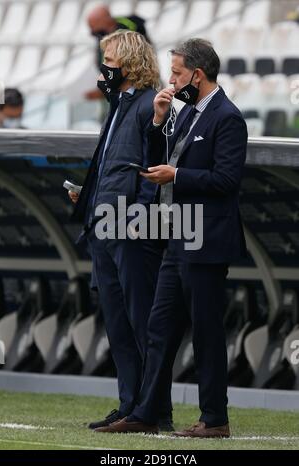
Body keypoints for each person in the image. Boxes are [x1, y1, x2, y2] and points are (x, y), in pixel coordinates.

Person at [95, 38, 248, 437]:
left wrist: (177, 176)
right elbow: (158, 161)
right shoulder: (186, 115)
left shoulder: (227, 118)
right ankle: (147, 411)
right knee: (159, 329)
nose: (172, 79)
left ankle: (215, 418)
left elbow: (227, 180)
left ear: (197, 74)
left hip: (207, 239)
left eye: (178, 73)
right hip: (178, 235)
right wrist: (160, 121)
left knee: (206, 331)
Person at [69, 30, 173, 431]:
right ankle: (131, 405)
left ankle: (153, 411)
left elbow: (154, 169)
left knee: (141, 321)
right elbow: (117, 168)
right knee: (118, 323)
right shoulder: (120, 105)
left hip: (131, 231)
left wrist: (137, 219)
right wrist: (91, 196)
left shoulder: (150, 104)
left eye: (108, 62)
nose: (103, 69)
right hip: (104, 227)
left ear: (128, 65)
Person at [85, 5, 150, 100]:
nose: (93, 33)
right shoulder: (102, 36)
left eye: (95, 30)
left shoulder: (128, 30)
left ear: (106, 21)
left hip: (138, 87)